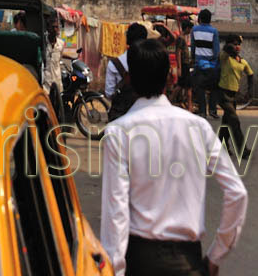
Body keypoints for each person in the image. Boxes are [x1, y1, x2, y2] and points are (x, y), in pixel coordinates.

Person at [101, 39, 248, 276]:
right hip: (188, 262)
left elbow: (115, 212)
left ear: (129, 79)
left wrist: (115, 270)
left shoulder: (118, 133)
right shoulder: (198, 127)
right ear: (170, 78)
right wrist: (216, 254)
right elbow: (237, 192)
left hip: (140, 261)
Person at [217, 35, 253, 160]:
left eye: (238, 44)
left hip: (233, 96)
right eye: (234, 44)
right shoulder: (224, 57)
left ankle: (220, 145)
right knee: (234, 121)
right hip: (222, 94)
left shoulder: (242, 61)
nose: (236, 46)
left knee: (227, 121)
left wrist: (250, 90)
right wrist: (230, 46)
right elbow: (226, 48)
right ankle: (243, 150)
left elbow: (250, 74)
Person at [105, 22, 148, 106]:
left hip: (123, 111)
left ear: (127, 39)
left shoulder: (114, 63)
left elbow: (109, 93)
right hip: (146, 109)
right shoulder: (152, 61)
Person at [190, 9, 220, 118]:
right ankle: (213, 110)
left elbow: (193, 46)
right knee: (213, 87)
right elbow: (216, 50)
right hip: (211, 64)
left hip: (199, 63)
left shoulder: (194, 30)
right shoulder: (214, 31)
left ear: (200, 19)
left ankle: (202, 111)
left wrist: (193, 58)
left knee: (200, 88)